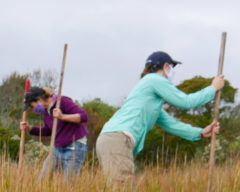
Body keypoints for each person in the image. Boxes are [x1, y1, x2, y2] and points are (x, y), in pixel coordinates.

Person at [96, 50, 224, 182]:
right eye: (171, 67)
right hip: (118, 138)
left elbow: (172, 125)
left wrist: (201, 132)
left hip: (111, 139)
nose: (172, 71)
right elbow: (186, 102)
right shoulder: (154, 79)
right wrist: (213, 88)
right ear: (165, 66)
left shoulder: (150, 100)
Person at [20, 86, 89, 175]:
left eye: (31, 105)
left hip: (74, 146)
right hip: (57, 148)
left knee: (68, 184)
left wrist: (62, 116)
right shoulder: (46, 111)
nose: (33, 108)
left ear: (39, 99)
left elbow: (84, 116)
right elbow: (48, 130)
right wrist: (29, 128)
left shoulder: (62, 101)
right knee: (43, 179)